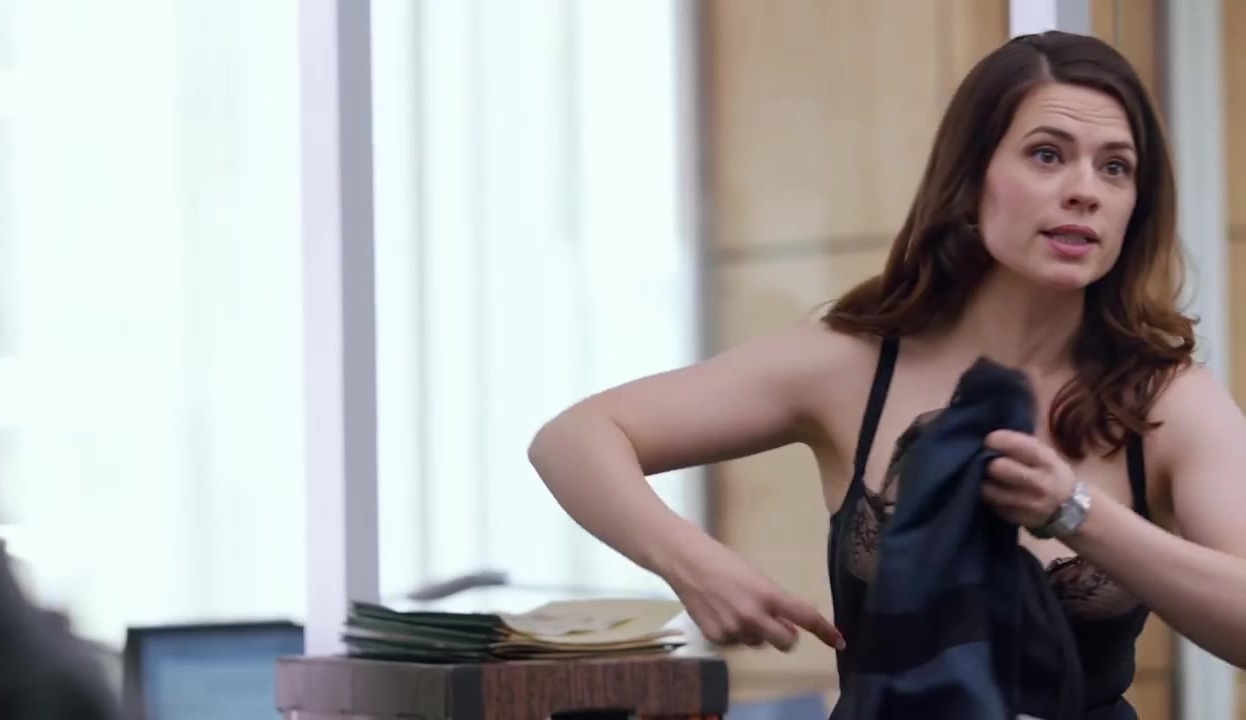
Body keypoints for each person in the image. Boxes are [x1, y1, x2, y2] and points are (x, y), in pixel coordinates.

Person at [527, 30, 1246, 718]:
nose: (1085, 190)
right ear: (972, 178)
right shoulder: (853, 365)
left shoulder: (1169, 400)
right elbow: (574, 439)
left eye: (1115, 167)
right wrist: (694, 564)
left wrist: (1076, 513)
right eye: (1047, 154)